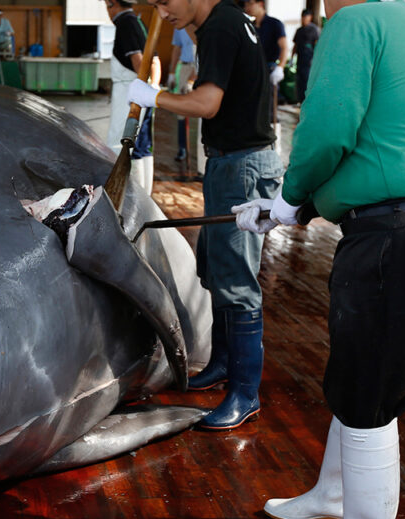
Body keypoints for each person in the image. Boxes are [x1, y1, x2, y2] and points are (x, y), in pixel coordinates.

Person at [234, 0, 405, 519]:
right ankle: (334, 497)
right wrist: (299, 209)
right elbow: (380, 139)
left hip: (392, 236)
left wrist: (288, 195)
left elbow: (332, 122)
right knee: (365, 374)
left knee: (370, 387)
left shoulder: (354, 21)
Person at [131, 0, 282, 430]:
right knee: (215, 266)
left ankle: (245, 393)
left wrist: (154, 97)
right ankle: (222, 363)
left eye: (165, 1)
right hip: (230, 161)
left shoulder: (219, 27)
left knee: (236, 278)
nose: (160, 12)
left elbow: (208, 102)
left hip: (243, 165)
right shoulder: (230, 21)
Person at [105, 0, 158, 193]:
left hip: (131, 91)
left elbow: (139, 64)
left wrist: (141, 87)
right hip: (146, 91)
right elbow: (155, 60)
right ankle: (145, 195)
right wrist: (153, 86)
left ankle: (128, 196)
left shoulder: (125, 23)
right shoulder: (138, 21)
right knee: (142, 146)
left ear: (111, 3)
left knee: (122, 144)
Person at [167, 28, 197, 162]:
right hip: (184, 67)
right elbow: (176, 49)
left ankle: (198, 149)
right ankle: (182, 148)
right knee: (181, 112)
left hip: (200, 68)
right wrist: (172, 74)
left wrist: (193, 79)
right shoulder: (179, 25)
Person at [292, 8, 320, 103]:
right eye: (302, 17)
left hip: (310, 60)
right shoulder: (299, 30)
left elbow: (317, 45)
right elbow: (295, 45)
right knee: (299, 82)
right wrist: (292, 58)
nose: (304, 19)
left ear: (310, 17)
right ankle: (300, 101)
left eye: (306, 17)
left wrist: (316, 59)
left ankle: (308, 101)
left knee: (308, 81)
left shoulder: (314, 29)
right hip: (300, 60)